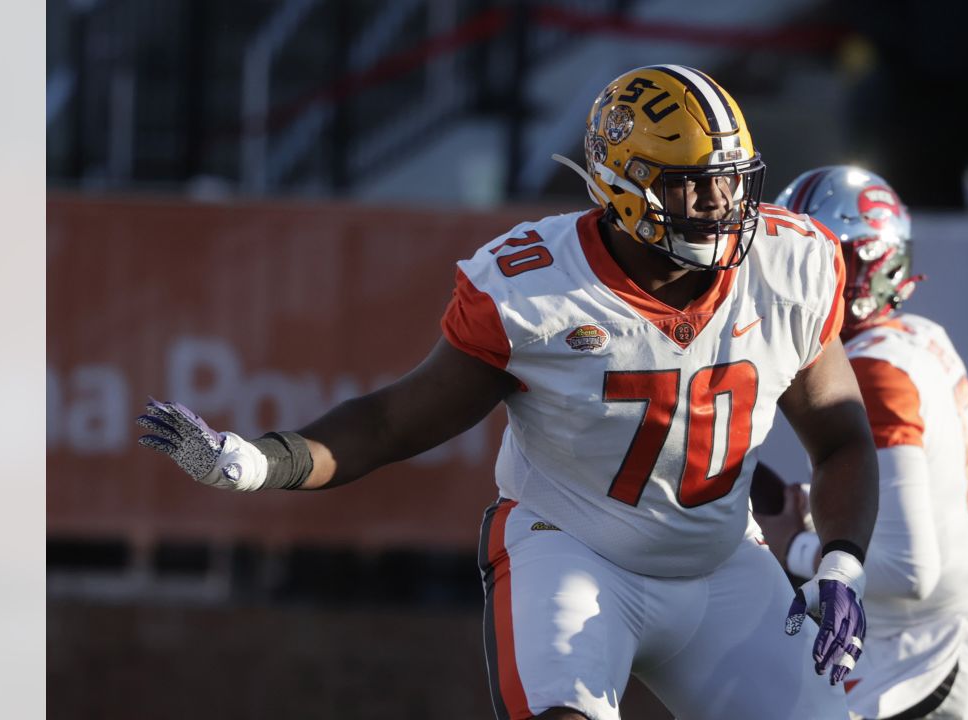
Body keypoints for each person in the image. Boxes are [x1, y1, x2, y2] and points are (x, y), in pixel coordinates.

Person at [135, 65, 880, 720]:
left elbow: (841, 436)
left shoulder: (792, 263)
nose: (721, 206)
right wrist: (259, 461)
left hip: (721, 565)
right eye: (692, 186)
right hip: (575, 554)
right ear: (625, 190)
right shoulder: (535, 290)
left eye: (731, 180)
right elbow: (396, 420)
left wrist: (842, 563)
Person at [754, 166, 968, 718]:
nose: (791, 279)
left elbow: (910, 572)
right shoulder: (916, 336)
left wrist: (797, 548)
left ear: (863, 266)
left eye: (813, 260)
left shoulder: (877, 372)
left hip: (939, 646)